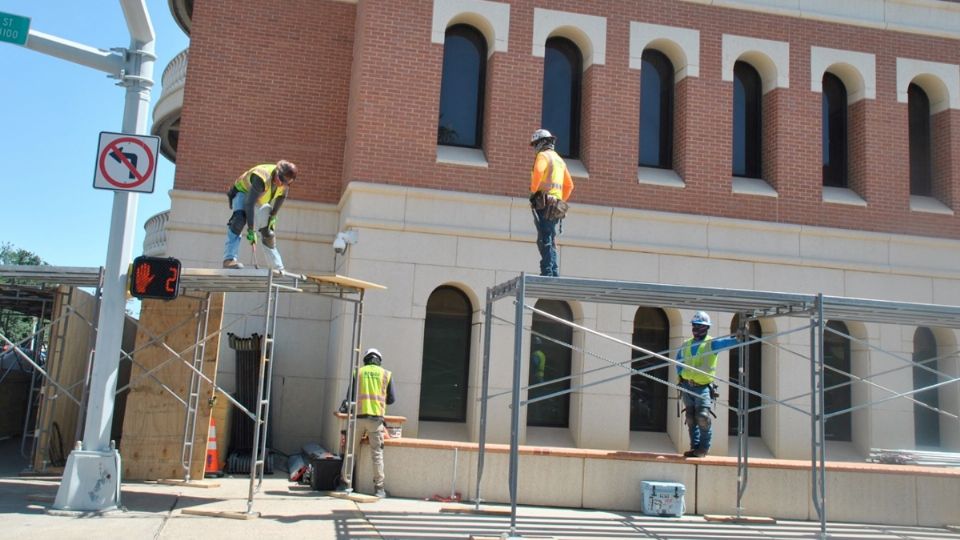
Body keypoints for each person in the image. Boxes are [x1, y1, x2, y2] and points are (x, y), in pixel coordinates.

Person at [676, 311, 740, 458]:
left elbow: (729, 342)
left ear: (706, 328)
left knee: (702, 417)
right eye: (695, 326)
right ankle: (695, 447)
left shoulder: (712, 343)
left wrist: (739, 337)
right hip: (687, 386)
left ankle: (704, 448)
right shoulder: (686, 344)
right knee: (691, 418)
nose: (697, 329)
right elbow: (678, 361)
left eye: (700, 326)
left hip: (703, 387)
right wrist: (681, 375)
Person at [222, 160, 298, 270]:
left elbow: (281, 197)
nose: (281, 184)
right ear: (277, 172)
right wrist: (251, 230)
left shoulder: (285, 183)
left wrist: (273, 216)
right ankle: (229, 259)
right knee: (239, 220)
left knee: (268, 232)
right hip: (243, 192)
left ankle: (277, 266)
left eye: (287, 183)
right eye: (281, 180)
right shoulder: (262, 177)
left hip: (259, 199)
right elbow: (249, 203)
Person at [341, 348, 396, 498]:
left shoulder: (357, 372)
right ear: (379, 360)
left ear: (365, 359)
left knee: (350, 451)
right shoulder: (386, 374)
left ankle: (344, 484)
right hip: (376, 420)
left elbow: (349, 397)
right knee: (377, 454)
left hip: (358, 418)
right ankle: (379, 489)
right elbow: (391, 399)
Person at [529, 129, 574, 277]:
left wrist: (534, 190)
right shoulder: (559, 160)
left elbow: (538, 172)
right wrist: (561, 199)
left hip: (545, 203)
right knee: (551, 237)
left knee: (545, 237)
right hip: (556, 205)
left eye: (535, 144)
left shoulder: (543, 156)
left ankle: (548, 271)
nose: (535, 148)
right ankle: (553, 270)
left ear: (541, 143)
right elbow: (569, 185)